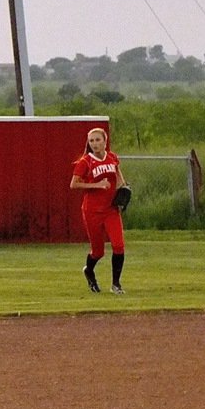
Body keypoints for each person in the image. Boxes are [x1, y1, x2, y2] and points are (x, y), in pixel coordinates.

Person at [70, 126, 129, 294]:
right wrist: (97, 184)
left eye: (98, 140)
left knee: (118, 245)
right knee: (98, 251)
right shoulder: (85, 162)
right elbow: (74, 184)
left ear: (105, 141)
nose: (95, 143)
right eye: (91, 141)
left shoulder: (112, 157)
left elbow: (118, 176)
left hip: (111, 209)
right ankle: (89, 271)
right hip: (92, 211)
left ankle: (116, 284)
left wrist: (123, 188)